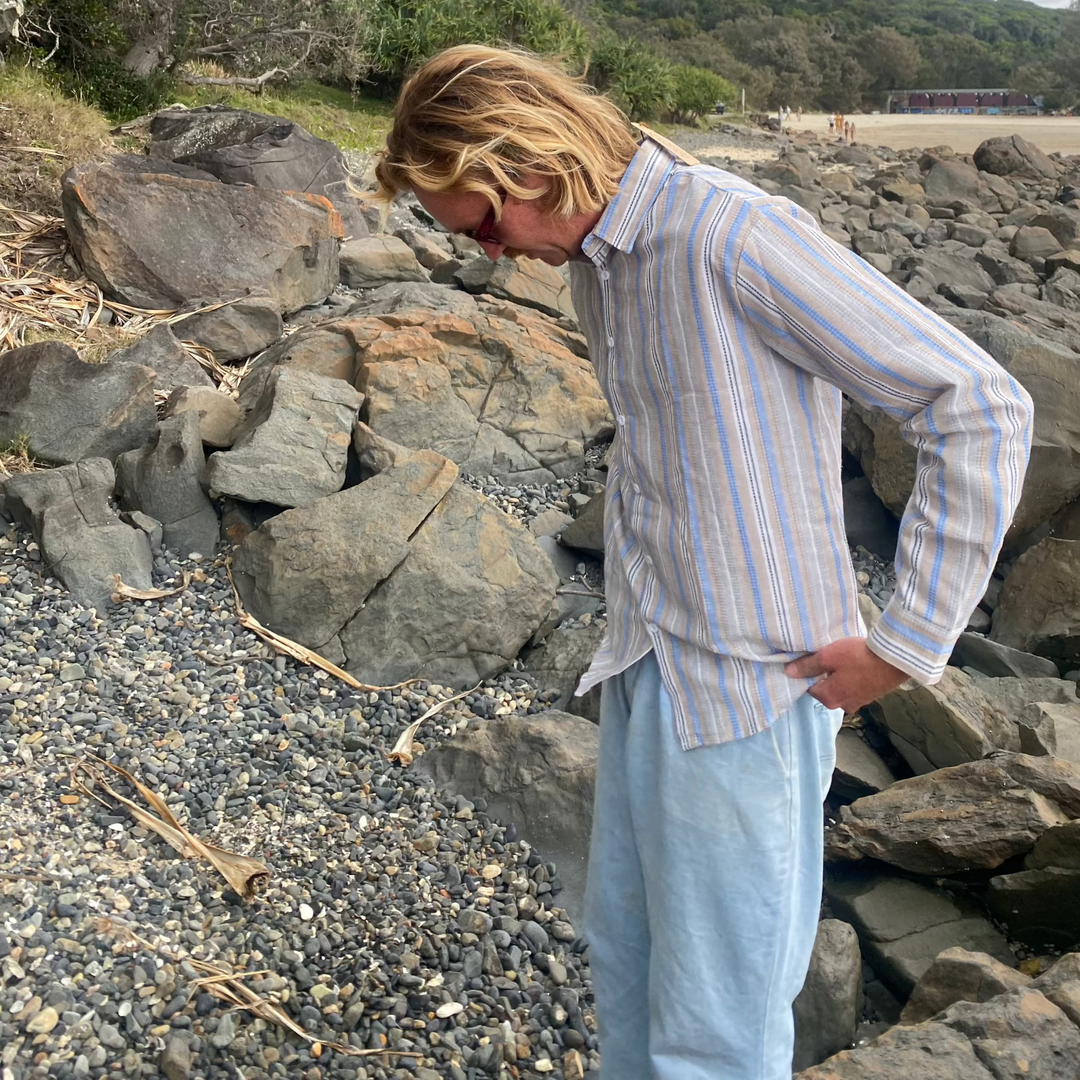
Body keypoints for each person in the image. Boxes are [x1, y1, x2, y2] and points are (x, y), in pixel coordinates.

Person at [375, 45, 1033, 1080]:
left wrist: (905, 645)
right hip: (646, 663)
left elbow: (977, 403)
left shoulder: (730, 233)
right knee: (631, 969)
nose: (493, 256)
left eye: (485, 226)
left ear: (531, 164)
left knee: (719, 1032)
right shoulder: (600, 262)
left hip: (754, 693)